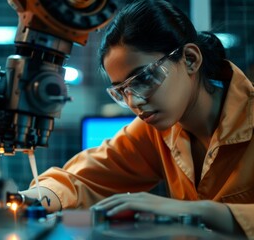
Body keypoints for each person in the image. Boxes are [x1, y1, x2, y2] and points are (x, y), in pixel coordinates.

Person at [20, 0, 254, 238]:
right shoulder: (155, 131)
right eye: (122, 92)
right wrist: (24, 202)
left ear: (190, 59)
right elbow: (81, 179)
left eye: (143, 79)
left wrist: (199, 211)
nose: (134, 103)